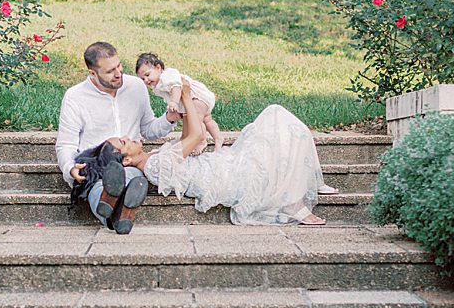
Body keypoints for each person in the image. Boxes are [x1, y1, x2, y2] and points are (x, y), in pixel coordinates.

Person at [80, 81, 328, 226]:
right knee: (276, 122)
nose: (130, 137)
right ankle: (296, 202)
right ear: (127, 160)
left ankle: (305, 189)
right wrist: (187, 98)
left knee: (276, 120)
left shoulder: (154, 159)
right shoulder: (155, 167)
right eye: (125, 142)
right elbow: (197, 137)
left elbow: (187, 137)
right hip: (229, 177)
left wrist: (188, 110)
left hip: (224, 165)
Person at [56, 41, 179, 234]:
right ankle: (117, 211)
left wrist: (168, 119)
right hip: (95, 161)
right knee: (98, 182)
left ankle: (112, 216)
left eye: (119, 66)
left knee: (130, 175)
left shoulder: (136, 86)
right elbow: (65, 144)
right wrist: (69, 167)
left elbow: (148, 128)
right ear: (93, 74)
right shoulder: (75, 97)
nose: (118, 73)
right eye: (110, 71)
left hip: (126, 159)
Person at [135, 52, 223, 154]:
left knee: (196, 121)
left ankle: (201, 141)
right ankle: (218, 138)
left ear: (158, 68)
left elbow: (176, 86)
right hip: (200, 98)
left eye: (147, 75)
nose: (146, 80)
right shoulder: (159, 82)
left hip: (195, 97)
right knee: (207, 120)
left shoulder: (166, 76)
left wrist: (174, 102)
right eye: (142, 79)